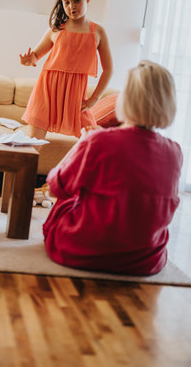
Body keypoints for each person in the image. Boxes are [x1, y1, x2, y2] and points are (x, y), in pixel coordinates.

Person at [43, 60, 183, 276]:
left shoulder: (98, 141)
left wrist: (81, 144)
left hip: (84, 251)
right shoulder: (175, 152)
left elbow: (55, 188)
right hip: (145, 259)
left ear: (125, 98)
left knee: (68, 199)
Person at [19, 0, 113, 139]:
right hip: (46, 92)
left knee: (94, 141)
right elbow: (35, 55)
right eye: (66, 2)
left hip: (76, 96)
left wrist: (94, 98)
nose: (71, 6)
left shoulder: (97, 32)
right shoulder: (56, 29)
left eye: (77, 0)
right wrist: (29, 59)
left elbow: (109, 69)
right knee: (31, 147)